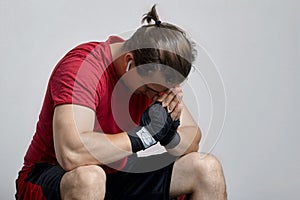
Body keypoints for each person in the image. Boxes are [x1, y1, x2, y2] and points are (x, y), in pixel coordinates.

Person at [15, 5, 227, 200]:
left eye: (164, 90)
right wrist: (144, 136)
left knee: (207, 169)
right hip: (54, 177)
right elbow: (72, 153)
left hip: (116, 176)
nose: (156, 96)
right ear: (130, 62)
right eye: (151, 89)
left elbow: (192, 141)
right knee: (90, 178)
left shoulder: (154, 76)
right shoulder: (84, 67)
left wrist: (169, 134)